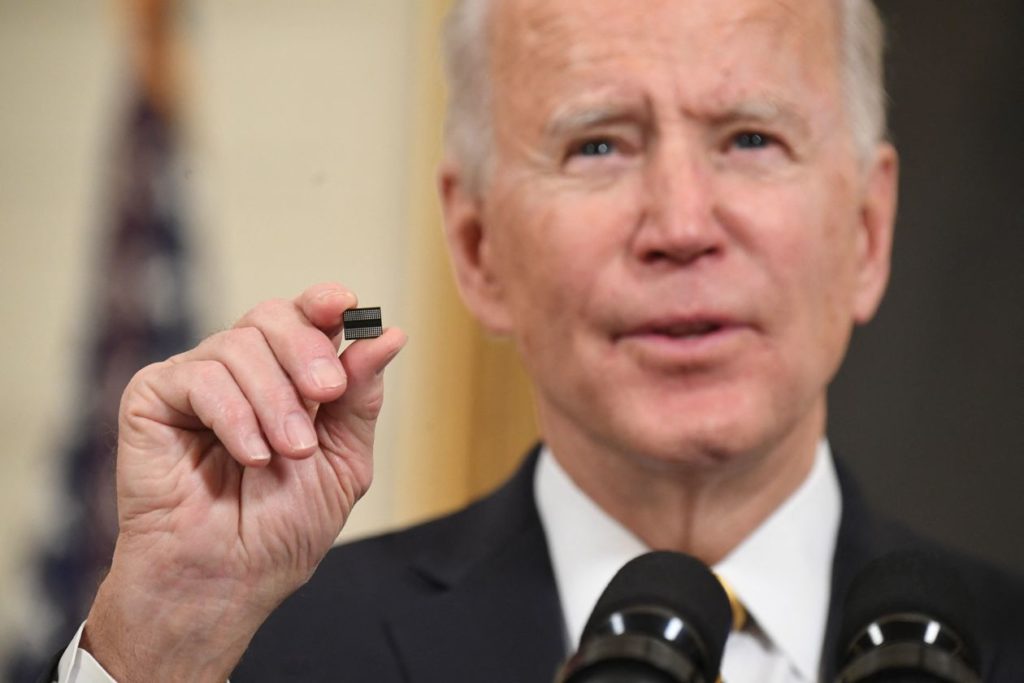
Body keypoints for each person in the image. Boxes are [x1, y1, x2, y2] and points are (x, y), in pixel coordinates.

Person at [45, 0, 1024, 681]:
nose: (681, 223)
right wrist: (164, 649)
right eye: (596, 144)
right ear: (477, 248)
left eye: (750, 140)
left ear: (866, 230)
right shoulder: (260, 653)